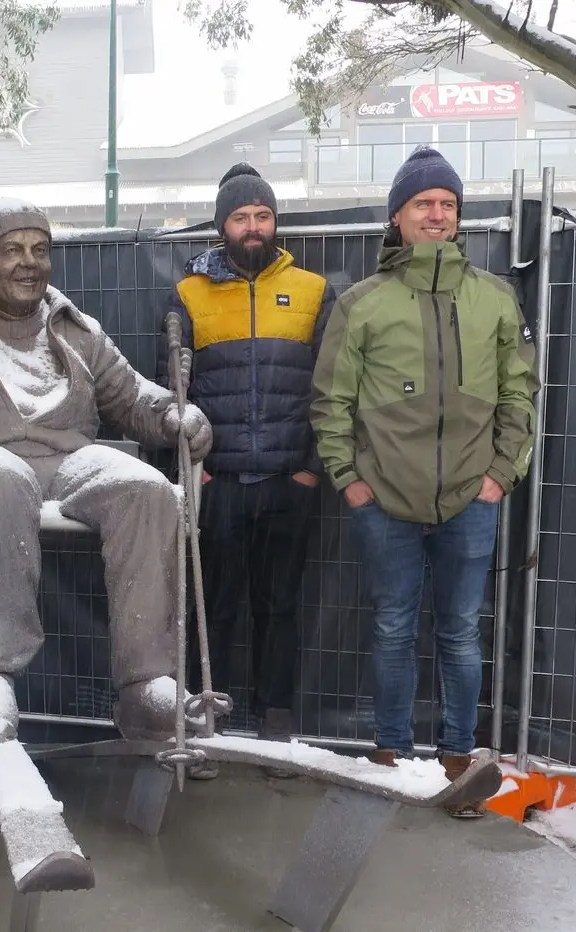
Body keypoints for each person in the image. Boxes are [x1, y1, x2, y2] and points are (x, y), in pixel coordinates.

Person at [0, 198, 213, 744]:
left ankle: (146, 685)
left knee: (148, 488)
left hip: (69, 461)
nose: (28, 262)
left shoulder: (75, 328)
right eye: (12, 250)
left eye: (40, 250)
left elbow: (133, 396)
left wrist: (177, 413)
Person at [310, 146, 538, 817]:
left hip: (473, 497)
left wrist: (501, 475)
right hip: (384, 500)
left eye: (448, 204)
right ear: (398, 217)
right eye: (423, 204)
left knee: (463, 629)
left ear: (458, 217)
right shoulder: (363, 305)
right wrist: (350, 479)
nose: (437, 214)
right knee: (391, 626)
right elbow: (330, 401)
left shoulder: (495, 299)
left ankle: (459, 759)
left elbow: (519, 397)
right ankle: (389, 754)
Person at [164, 163, 335, 779]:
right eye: (241, 216)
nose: (254, 226)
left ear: (275, 222)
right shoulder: (189, 294)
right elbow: (168, 393)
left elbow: (334, 389)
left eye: (263, 215)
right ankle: (205, 728)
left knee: (281, 607)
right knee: (214, 610)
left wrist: (312, 470)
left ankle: (277, 727)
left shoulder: (315, 291)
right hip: (219, 483)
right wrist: (196, 473)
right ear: (222, 226)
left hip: (291, 482)